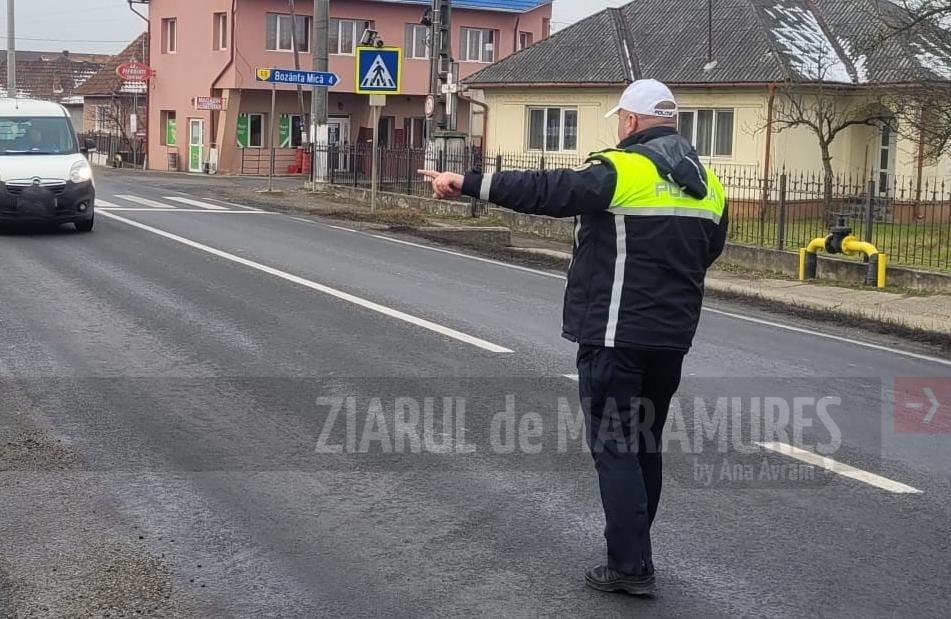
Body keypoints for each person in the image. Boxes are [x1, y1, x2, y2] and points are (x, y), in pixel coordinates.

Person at [420, 79, 728, 598]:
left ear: (630, 122)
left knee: (615, 446)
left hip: (614, 334)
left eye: (619, 121)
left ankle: (630, 567)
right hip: (671, 338)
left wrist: (468, 182)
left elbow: (549, 191)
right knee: (645, 445)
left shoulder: (622, 169)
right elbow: (708, 253)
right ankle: (635, 551)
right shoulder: (709, 184)